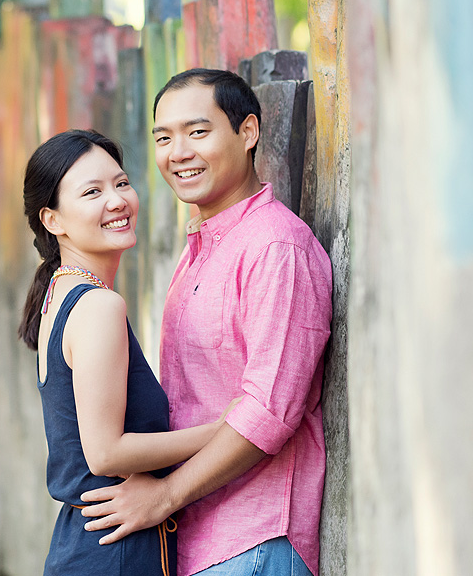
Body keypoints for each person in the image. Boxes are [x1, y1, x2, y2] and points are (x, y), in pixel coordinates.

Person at [79, 69, 333, 576]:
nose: (178, 152)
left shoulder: (275, 248)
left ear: (247, 132)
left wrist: (165, 495)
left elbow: (268, 412)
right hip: (199, 539)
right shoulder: (200, 246)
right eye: (163, 137)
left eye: (198, 132)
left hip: (253, 540)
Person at [18, 129, 240, 576]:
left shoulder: (59, 295)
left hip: (88, 545)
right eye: (92, 192)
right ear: (53, 220)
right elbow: (105, 453)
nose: (117, 200)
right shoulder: (98, 305)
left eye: (121, 183)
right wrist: (225, 429)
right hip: (113, 553)